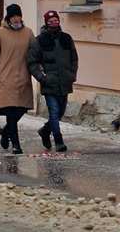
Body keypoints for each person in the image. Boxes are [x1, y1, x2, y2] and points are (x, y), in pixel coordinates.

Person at [0, 3, 35, 155]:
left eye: (18, 16)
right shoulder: (0, 33)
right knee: (11, 112)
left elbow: (35, 53)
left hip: (23, 78)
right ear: (8, 18)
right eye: (13, 16)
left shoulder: (28, 33)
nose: (16, 19)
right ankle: (16, 145)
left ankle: (6, 132)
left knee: (21, 109)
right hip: (5, 79)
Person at [28, 10, 79, 153]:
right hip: (49, 83)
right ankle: (58, 141)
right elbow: (32, 62)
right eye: (50, 21)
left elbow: (74, 58)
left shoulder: (66, 38)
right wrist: (42, 77)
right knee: (54, 112)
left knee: (61, 112)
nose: (54, 23)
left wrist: (72, 74)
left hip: (64, 82)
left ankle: (45, 131)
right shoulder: (39, 41)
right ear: (46, 23)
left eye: (56, 20)